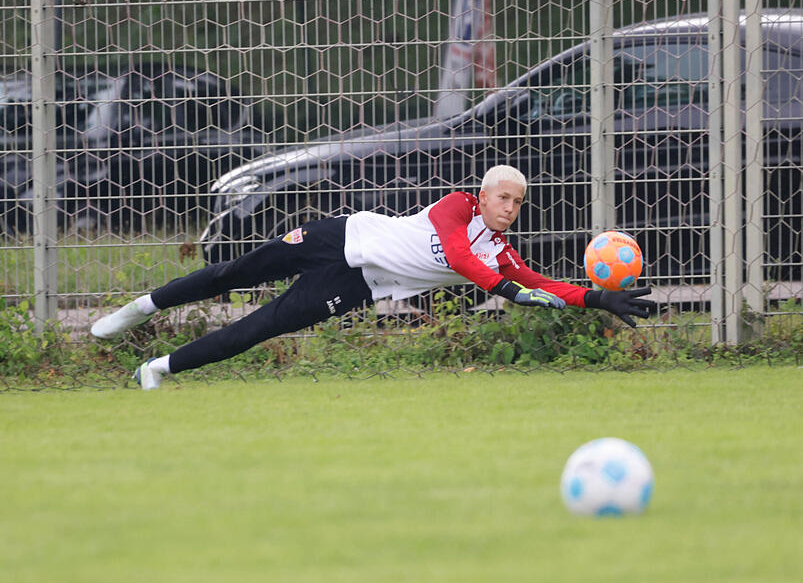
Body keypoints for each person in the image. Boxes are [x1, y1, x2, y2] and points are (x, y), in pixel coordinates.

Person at [91, 165, 656, 389]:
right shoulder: (456, 208)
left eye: (517, 202)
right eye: (502, 197)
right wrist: (508, 292)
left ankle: (156, 368)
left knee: (262, 326)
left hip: (356, 285)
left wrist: (597, 298)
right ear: (484, 195)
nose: (509, 207)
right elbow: (460, 259)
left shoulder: (500, 251)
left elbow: (543, 281)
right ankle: (138, 309)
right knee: (235, 273)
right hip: (339, 238)